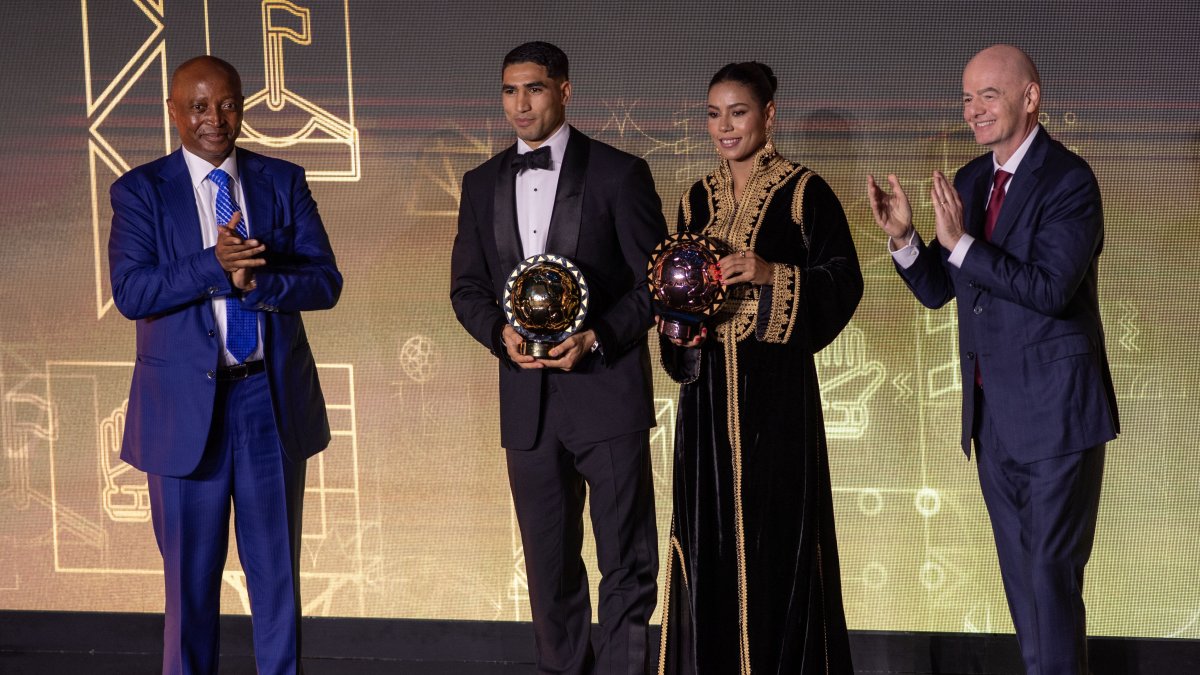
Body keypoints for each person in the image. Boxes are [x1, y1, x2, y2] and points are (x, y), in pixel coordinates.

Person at [867, 44, 1118, 674]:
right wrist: (905, 238)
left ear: (1030, 97)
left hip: (1056, 417)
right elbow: (938, 289)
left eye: (989, 95)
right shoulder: (974, 179)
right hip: (992, 419)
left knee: (1049, 580)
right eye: (966, 97)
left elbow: (1050, 289)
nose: (972, 110)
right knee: (1023, 587)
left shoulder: (1069, 180)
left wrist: (962, 242)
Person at [108, 55, 342, 674]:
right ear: (173, 112)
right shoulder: (139, 191)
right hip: (185, 415)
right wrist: (213, 264)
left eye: (228, 104)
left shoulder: (281, 180)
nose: (216, 119)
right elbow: (132, 292)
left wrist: (257, 286)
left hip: (269, 402)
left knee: (277, 579)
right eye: (199, 106)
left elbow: (325, 282)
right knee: (188, 589)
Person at [449, 41, 666, 674]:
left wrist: (596, 337)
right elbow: (466, 288)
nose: (521, 105)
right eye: (510, 91)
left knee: (627, 562)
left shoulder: (620, 174)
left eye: (535, 89)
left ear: (564, 90)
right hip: (528, 410)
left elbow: (654, 282)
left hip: (607, 397)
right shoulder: (481, 181)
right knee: (549, 569)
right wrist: (500, 335)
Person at [657, 61, 862, 674]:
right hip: (706, 406)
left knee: (779, 545)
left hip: (777, 405)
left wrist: (773, 274)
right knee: (708, 542)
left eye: (738, 112)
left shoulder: (805, 192)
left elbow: (843, 281)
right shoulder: (696, 196)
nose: (725, 126)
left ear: (769, 114)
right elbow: (673, 294)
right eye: (714, 114)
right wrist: (678, 318)